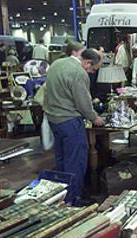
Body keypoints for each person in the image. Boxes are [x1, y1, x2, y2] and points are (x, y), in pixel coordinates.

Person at [44, 49, 105, 206]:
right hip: (69, 120)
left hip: (54, 119)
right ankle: (73, 199)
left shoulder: (57, 63)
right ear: (87, 62)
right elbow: (83, 102)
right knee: (76, 161)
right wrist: (94, 118)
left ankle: (61, 198)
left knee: (62, 160)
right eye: (92, 69)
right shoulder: (79, 72)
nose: (91, 73)